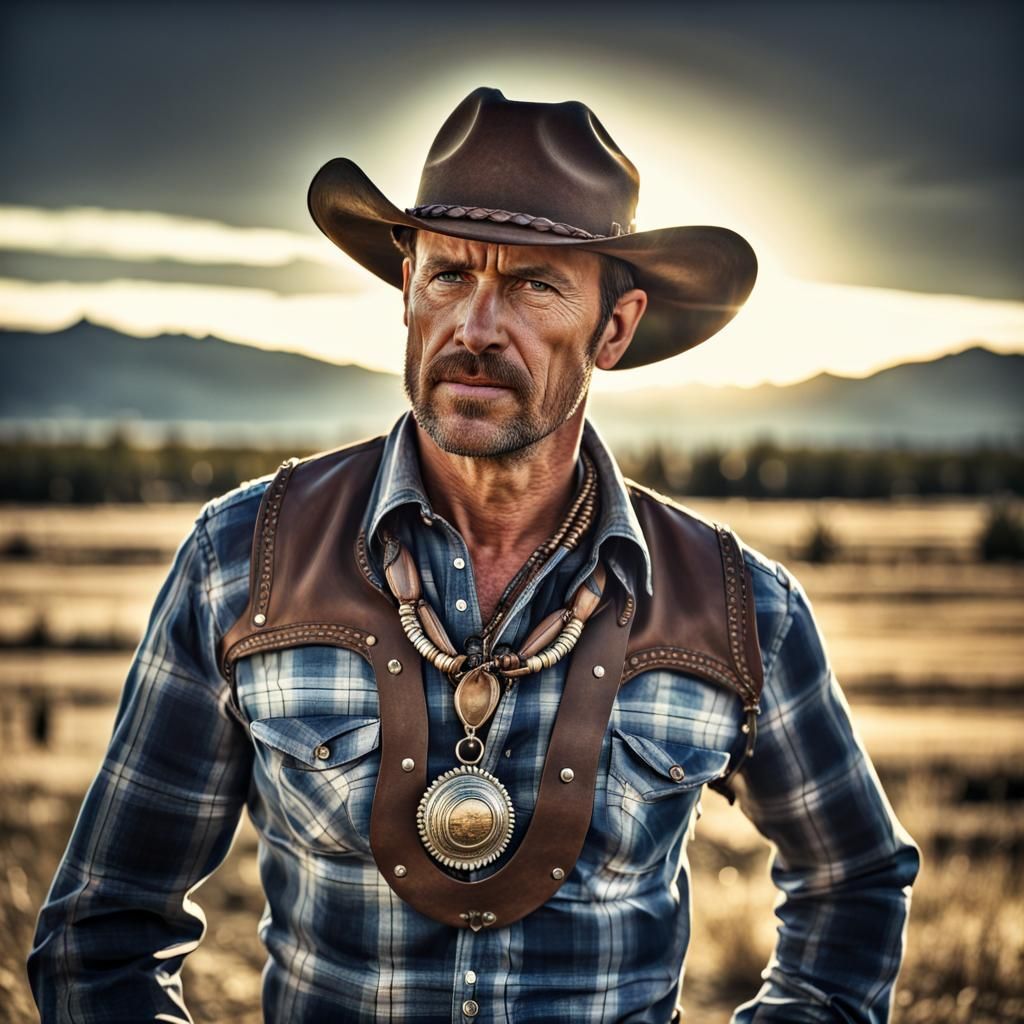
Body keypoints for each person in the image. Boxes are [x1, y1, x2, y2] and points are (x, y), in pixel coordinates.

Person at [29, 87, 919, 1023]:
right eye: (449, 275)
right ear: (407, 289)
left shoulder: (737, 606)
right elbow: (103, 934)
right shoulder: (240, 562)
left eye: (534, 285)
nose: (476, 329)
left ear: (613, 329)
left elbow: (854, 879)